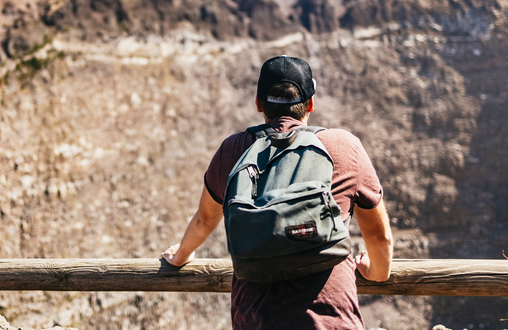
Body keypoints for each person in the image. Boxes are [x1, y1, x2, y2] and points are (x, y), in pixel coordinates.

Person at [162, 55, 393, 329]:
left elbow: (205, 220)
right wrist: (376, 273)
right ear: (310, 103)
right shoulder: (344, 146)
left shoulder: (233, 150)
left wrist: (181, 256)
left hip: (256, 320)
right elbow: (379, 237)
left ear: (258, 103)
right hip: (330, 320)